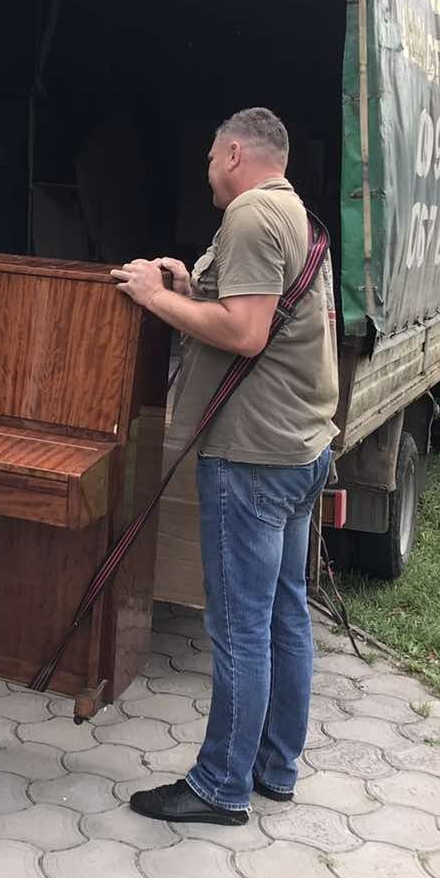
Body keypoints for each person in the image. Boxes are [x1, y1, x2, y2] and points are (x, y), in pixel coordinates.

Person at [111, 107, 339, 826]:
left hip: (250, 456)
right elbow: (256, 309)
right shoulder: (292, 211)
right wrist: (188, 283)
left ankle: (220, 786)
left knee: (240, 625)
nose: (206, 169)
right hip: (300, 447)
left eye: (211, 157)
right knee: (282, 616)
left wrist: (153, 299)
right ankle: (274, 768)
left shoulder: (247, 216)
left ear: (235, 153)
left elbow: (245, 333)